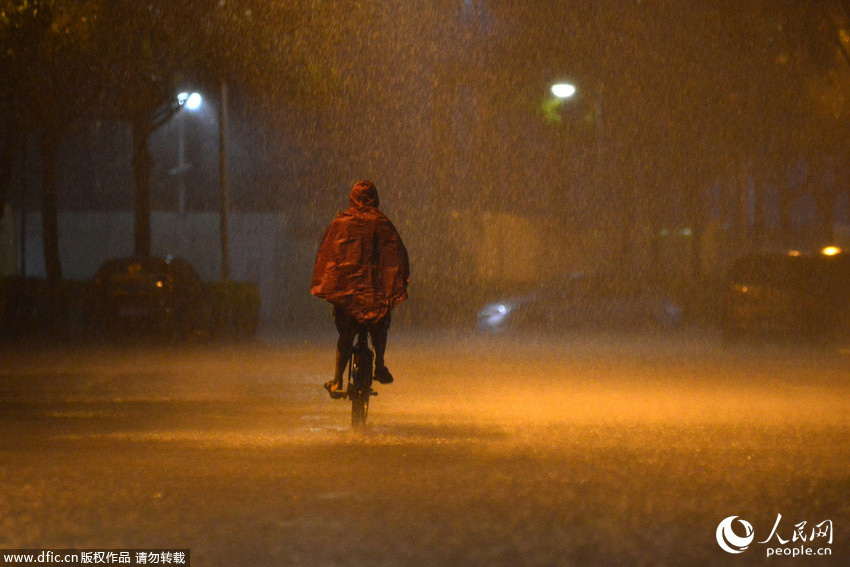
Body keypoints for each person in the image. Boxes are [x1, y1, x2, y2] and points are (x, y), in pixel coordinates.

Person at [311, 180, 410, 399]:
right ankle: (380, 365)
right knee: (381, 327)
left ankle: (337, 380)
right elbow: (397, 254)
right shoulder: (382, 223)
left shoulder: (341, 222)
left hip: (349, 297)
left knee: (345, 337)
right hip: (374, 295)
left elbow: (328, 255)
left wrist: (334, 284)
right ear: (375, 199)